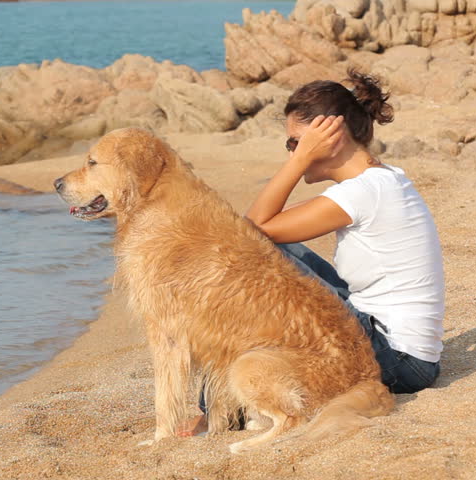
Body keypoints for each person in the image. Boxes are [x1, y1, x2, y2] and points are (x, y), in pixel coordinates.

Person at [177, 69, 445, 437]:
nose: (292, 151)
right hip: (398, 347)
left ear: (329, 138)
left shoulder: (364, 191)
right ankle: (231, 394)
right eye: (292, 146)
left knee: (251, 254)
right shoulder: (382, 180)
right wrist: (302, 154)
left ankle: (220, 407)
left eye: (296, 142)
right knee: (282, 249)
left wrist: (299, 161)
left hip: (397, 360)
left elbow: (248, 232)